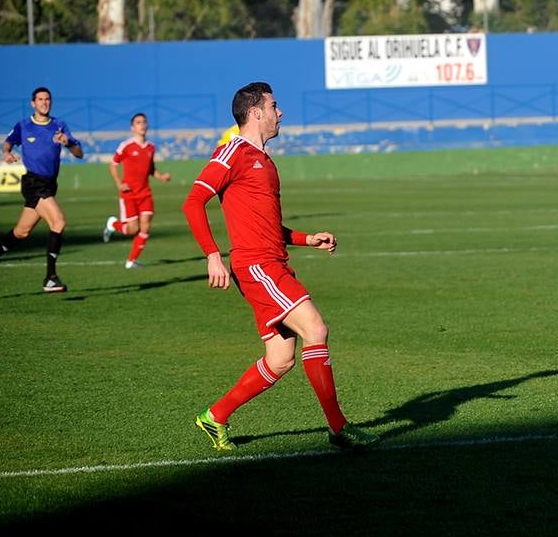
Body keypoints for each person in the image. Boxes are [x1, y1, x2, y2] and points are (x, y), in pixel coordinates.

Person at [182, 81, 379, 452]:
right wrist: (212, 255)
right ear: (256, 112)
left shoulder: (265, 161)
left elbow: (268, 225)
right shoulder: (232, 153)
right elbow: (193, 202)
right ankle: (339, 428)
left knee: (280, 359)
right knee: (316, 328)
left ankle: (215, 416)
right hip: (257, 267)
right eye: (274, 105)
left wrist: (308, 239)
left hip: (272, 263)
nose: (280, 111)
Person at [0, 86, 83, 293]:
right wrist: (6, 154)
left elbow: (79, 153)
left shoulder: (59, 126)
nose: (44, 102)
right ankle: (50, 278)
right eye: (40, 99)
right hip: (34, 183)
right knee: (59, 221)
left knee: (22, 232)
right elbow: (7, 144)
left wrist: (68, 142)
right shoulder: (24, 126)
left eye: (47, 99)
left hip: (49, 184)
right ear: (33, 103)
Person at [102, 112, 172, 268]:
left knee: (146, 225)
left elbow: (150, 168)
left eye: (144, 122)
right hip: (129, 193)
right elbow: (113, 165)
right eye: (138, 122)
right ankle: (113, 225)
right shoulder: (126, 146)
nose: (142, 125)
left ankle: (131, 261)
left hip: (145, 193)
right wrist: (119, 183)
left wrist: (161, 177)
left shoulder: (151, 147)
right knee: (133, 229)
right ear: (132, 127)